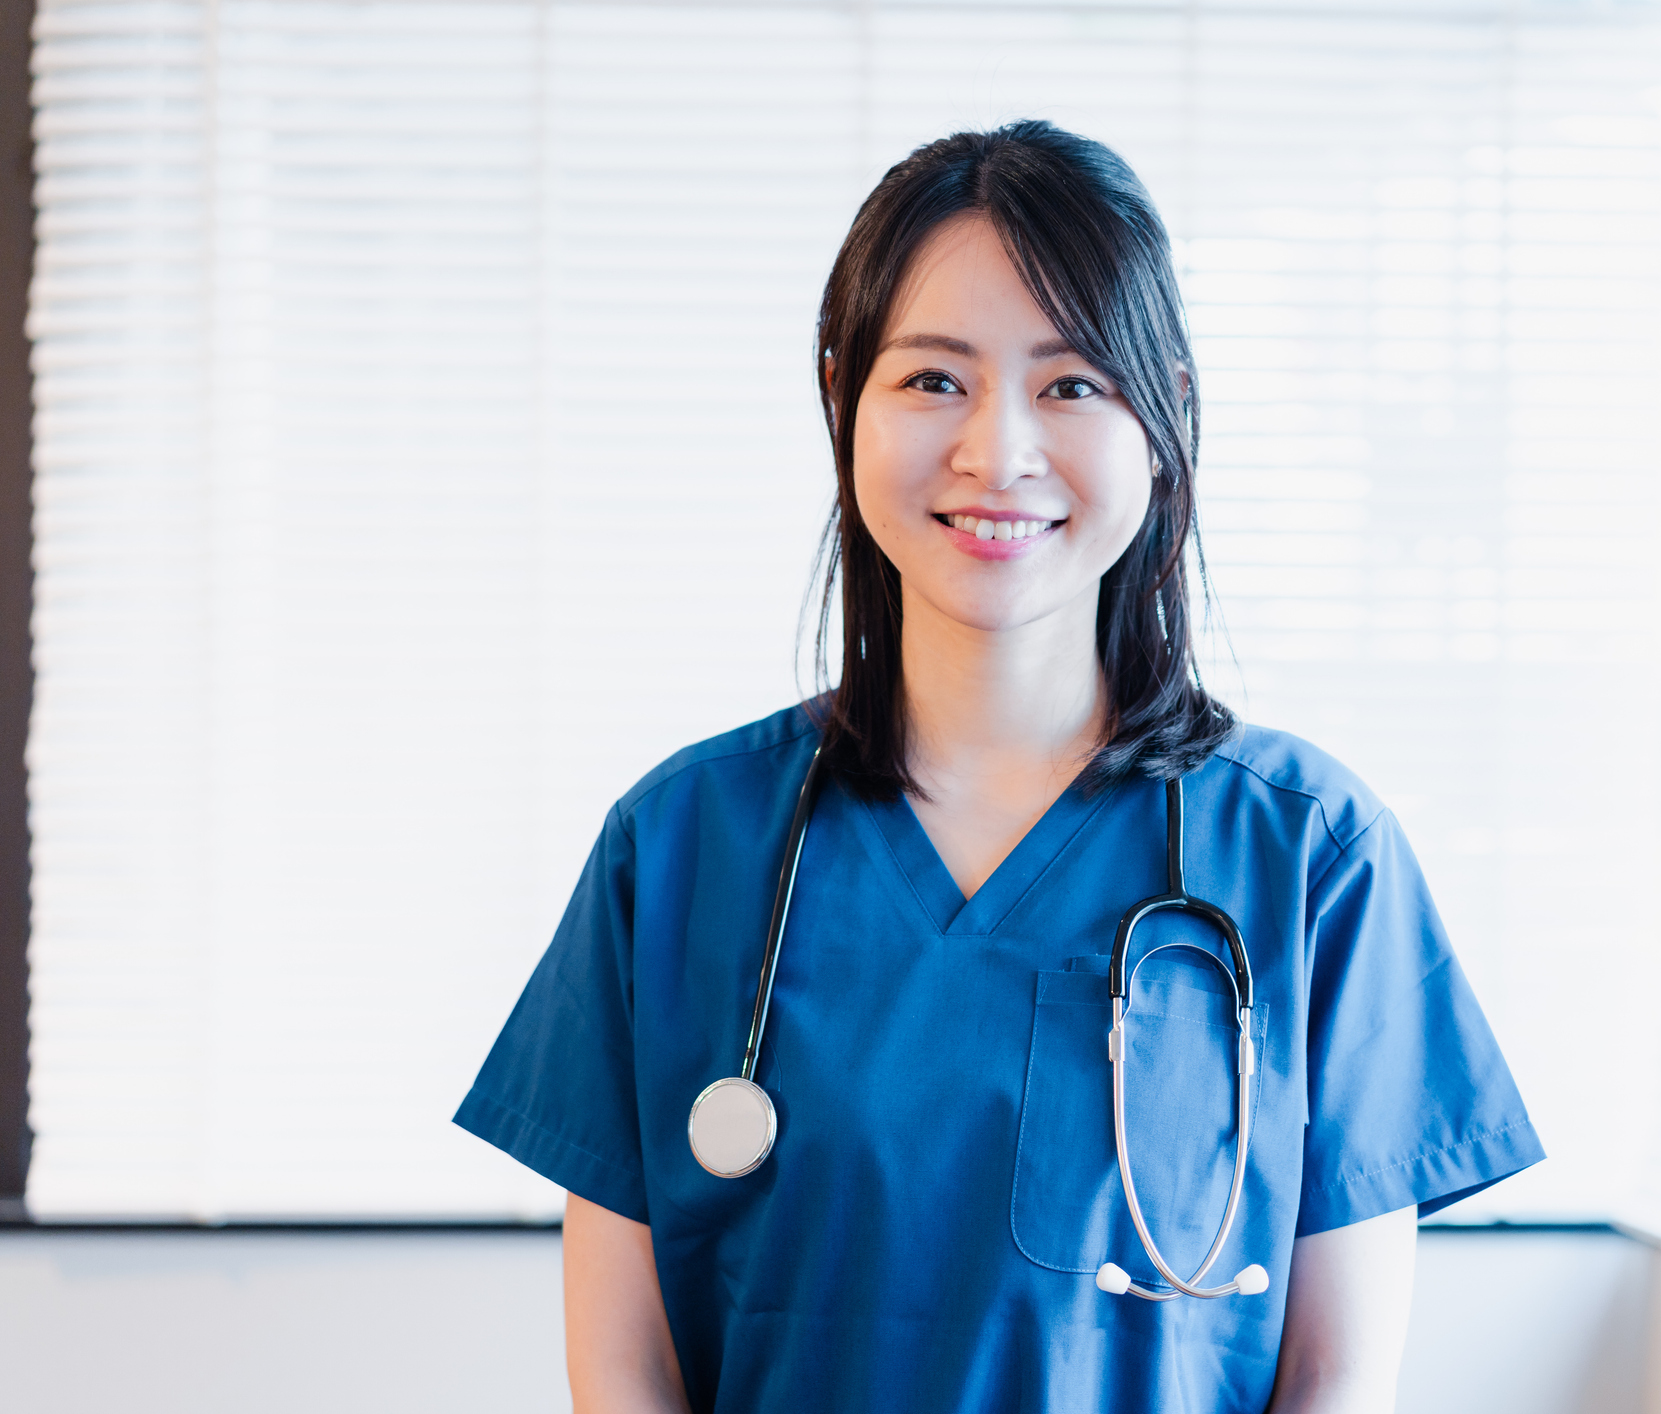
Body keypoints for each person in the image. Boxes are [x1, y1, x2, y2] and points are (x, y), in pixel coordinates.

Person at [455, 120, 1542, 1414]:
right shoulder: (681, 845)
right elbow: (623, 1370)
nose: (998, 452)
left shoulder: (1309, 853)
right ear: (841, 399)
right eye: (933, 379)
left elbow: (1336, 1377)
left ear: (1163, 414)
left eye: (1072, 383)